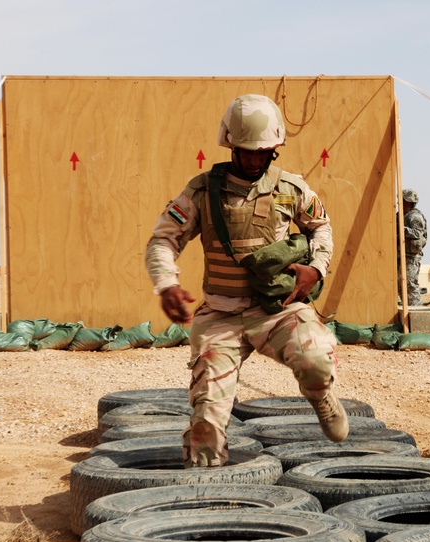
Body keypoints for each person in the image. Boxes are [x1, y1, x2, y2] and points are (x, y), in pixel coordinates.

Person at [145, 93, 348, 467]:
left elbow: (322, 228)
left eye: (263, 152)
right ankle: (207, 501)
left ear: (275, 149)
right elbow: (163, 239)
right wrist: (166, 283)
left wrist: (316, 268)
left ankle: (321, 395)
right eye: (246, 151)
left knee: (317, 359)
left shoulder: (292, 189)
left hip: (277, 311)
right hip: (220, 314)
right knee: (206, 423)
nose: (254, 159)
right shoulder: (203, 190)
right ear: (230, 146)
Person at [399, 188, 428, 305]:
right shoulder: (401, 215)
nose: (405, 204)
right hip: (402, 254)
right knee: (400, 284)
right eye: (404, 202)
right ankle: (406, 307)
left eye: (408, 202)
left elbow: (417, 233)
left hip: (411, 256)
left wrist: (401, 229)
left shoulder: (414, 217)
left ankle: (415, 308)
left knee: (410, 284)